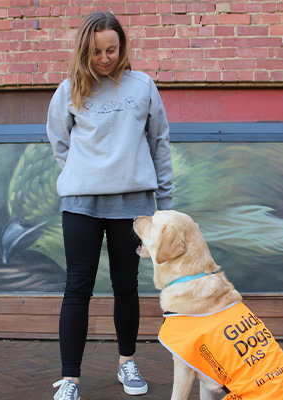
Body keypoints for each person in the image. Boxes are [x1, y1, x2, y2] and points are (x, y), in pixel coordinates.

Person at [46, 10, 174, 400]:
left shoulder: (143, 86)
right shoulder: (69, 89)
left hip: (133, 206)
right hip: (81, 204)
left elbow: (159, 144)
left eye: (112, 50)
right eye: (97, 51)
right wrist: (85, 174)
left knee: (126, 287)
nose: (105, 58)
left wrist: (164, 205)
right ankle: (70, 379)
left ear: (123, 47)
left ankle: (126, 363)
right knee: (77, 288)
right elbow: (59, 142)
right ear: (85, 51)